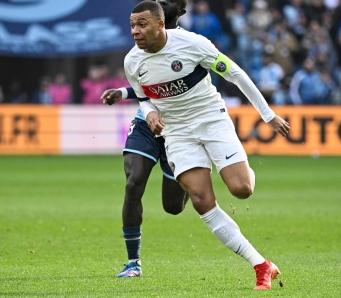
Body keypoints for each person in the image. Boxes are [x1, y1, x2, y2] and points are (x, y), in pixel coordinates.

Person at [125, 1, 291, 290]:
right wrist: (150, 112)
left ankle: (235, 164)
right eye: (132, 25)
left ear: (161, 25)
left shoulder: (193, 44)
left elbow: (235, 73)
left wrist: (268, 115)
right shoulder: (132, 62)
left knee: (241, 189)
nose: (135, 31)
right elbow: (142, 96)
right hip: (176, 133)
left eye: (142, 24)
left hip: (210, 119)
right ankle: (261, 265)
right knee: (201, 200)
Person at [100, 0, 189, 279]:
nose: (162, 1)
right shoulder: (142, 43)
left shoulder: (190, 44)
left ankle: (194, 171)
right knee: (133, 183)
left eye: (169, 0)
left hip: (177, 129)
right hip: (145, 123)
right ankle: (133, 263)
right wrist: (124, 93)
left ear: (178, 12)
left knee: (173, 207)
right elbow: (143, 82)